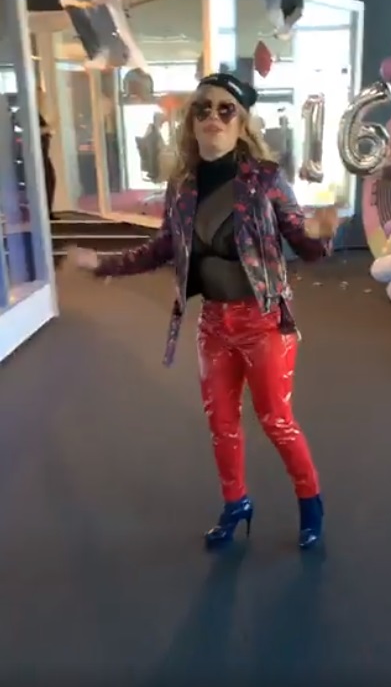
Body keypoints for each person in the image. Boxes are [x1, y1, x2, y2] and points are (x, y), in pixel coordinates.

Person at [69, 72, 340, 551]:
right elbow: (162, 248)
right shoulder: (182, 187)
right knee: (221, 424)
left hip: (264, 322)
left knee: (276, 420)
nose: (213, 116)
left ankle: (310, 500)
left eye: (224, 109)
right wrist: (103, 264)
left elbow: (304, 244)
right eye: (203, 108)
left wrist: (321, 234)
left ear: (242, 122)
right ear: (191, 122)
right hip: (214, 325)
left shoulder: (265, 179)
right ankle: (236, 504)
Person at [37, 87, 56, 220]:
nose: (42, 99)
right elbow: (33, 131)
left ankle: (47, 211)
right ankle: (44, 212)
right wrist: (49, 128)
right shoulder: (28, 113)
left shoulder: (38, 113)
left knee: (50, 180)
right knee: (47, 180)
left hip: (44, 152)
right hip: (38, 154)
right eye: (40, 96)